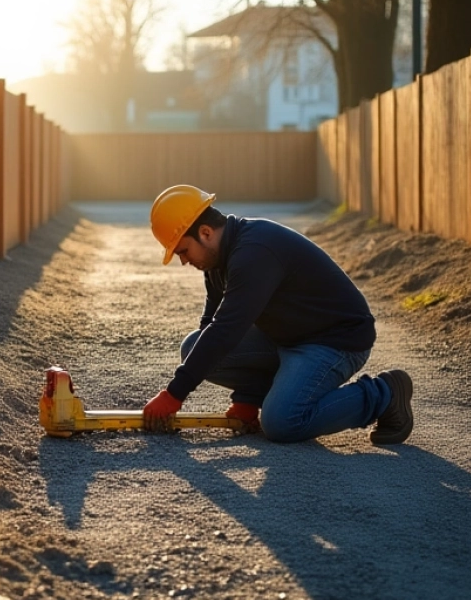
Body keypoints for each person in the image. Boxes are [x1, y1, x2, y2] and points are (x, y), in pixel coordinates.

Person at [141, 184, 414, 444]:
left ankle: (386, 393)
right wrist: (248, 397)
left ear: (206, 232)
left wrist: (174, 394)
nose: (184, 260)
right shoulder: (216, 262)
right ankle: (270, 391)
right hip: (287, 337)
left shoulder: (254, 252)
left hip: (334, 341)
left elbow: (226, 330)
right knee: (194, 346)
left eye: (183, 251)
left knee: (282, 422)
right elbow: (211, 328)